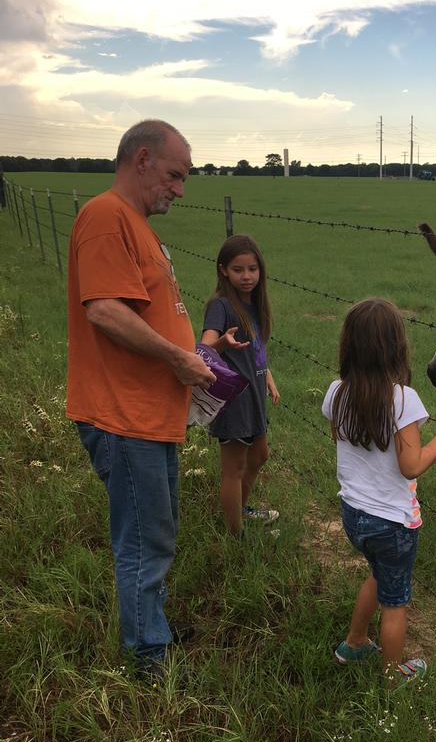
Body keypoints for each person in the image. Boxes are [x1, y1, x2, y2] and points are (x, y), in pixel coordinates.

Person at [66, 118, 215, 679]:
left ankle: (152, 629)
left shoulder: (137, 224)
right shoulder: (106, 217)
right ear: (143, 159)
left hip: (149, 413)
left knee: (158, 531)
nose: (180, 188)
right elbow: (103, 309)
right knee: (143, 539)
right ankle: (147, 660)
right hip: (123, 413)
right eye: (175, 175)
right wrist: (179, 358)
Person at [321, 298, 436, 684]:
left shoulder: (337, 392)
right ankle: (392, 675)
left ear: (348, 345)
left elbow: (341, 437)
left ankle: (354, 642)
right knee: (396, 602)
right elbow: (412, 466)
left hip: (354, 516)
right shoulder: (403, 399)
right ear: (396, 347)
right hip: (393, 524)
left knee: (377, 573)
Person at [201, 234, 280, 536]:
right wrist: (222, 342)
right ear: (223, 270)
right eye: (238, 270)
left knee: (260, 455)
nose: (247, 277)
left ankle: (240, 510)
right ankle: (235, 534)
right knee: (233, 468)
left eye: (252, 269)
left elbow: (256, 351)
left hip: (255, 396)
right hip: (234, 399)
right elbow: (206, 348)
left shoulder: (253, 305)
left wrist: (267, 375)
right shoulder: (221, 306)